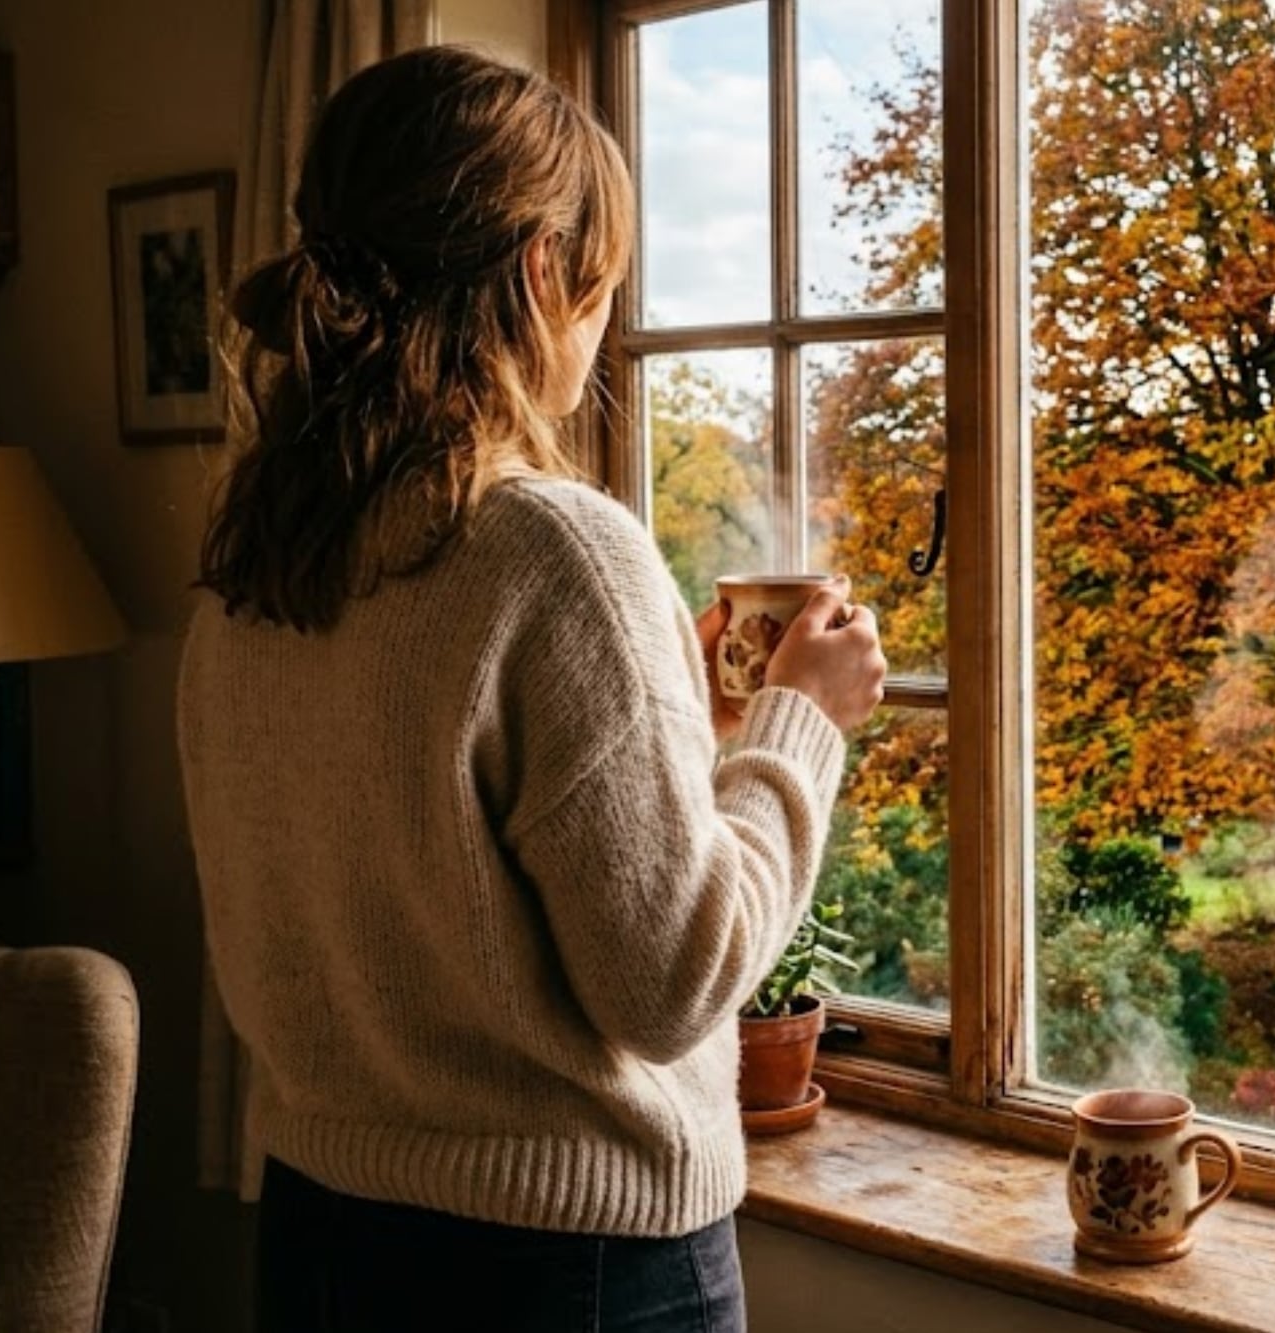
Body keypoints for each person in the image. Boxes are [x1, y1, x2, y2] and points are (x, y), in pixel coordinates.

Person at [177, 46, 885, 1333]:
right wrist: (801, 723)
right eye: (604, 284)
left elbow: (427, 863)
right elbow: (671, 981)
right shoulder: (552, 546)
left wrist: (689, 721)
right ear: (543, 274)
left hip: (321, 1236)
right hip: (566, 1275)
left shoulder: (253, 557)